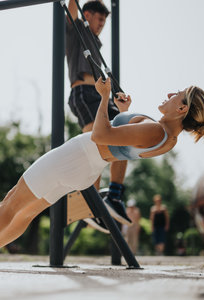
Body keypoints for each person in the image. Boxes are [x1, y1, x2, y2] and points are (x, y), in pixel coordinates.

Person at [0, 77, 204, 268]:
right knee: (27, 212)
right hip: (87, 168)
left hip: (77, 156)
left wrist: (102, 97)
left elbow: (100, 134)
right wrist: (124, 112)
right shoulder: (168, 139)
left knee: (12, 202)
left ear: (182, 109)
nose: (169, 93)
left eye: (176, 95)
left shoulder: (156, 130)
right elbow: (125, 143)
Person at [65, 0, 130, 225]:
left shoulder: (94, 41)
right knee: (95, 144)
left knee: (124, 131)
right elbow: (72, 8)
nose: (102, 24)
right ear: (88, 15)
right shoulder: (77, 32)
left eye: (105, 20)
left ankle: (114, 193)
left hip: (102, 95)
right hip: (83, 92)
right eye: (99, 19)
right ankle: (90, 202)